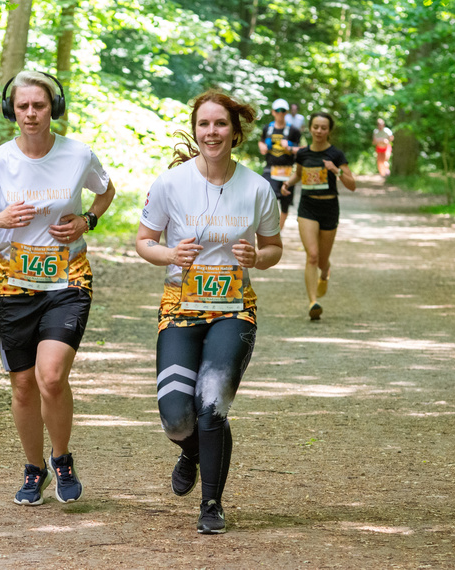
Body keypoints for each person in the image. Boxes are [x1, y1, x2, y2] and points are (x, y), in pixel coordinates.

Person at [0, 70, 116, 506]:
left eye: (38, 105)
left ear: (53, 108)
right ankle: (34, 468)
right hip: (13, 285)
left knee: (51, 376)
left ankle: (62, 459)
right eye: (22, 106)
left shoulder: (78, 154)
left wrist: (87, 220)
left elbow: (105, 190)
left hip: (68, 280)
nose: (30, 114)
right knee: (22, 384)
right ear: (12, 110)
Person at [135, 90, 283, 534]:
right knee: (176, 417)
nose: (211, 132)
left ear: (234, 132)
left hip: (234, 310)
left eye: (220, 124)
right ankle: (192, 452)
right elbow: (144, 241)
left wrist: (259, 257)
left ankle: (212, 503)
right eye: (204, 124)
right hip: (180, 308)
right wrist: (169, 255)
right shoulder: (171, 183)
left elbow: (274, 247)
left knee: (212, 405)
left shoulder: (258, 188)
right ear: (195, 130)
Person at [281, 112, 356, 320]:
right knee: (312, 255)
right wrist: (287, 183)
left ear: (329, 130)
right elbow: (298, 173)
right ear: (310, 128)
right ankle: (313, 302)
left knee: (322, 260)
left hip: (329, 208)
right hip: (308, 207)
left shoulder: (336, 155)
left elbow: (352, 184)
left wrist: (335, 171)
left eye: (323, 128)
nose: (319, 131)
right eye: (315, 127)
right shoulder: (303, 154)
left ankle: (326, 271)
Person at [258, 98, 302, 230]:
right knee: (266, 199)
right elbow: (260, 141)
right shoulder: (268, 128)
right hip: (270, 170)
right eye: (278, 111)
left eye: (283, 111)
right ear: (273, 112)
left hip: (287, 171)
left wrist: (290, 147)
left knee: (285, 203)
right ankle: (266, 230)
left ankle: (278, 232)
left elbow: (301, 149)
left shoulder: (294, 131)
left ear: (286, 112)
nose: (280, 113)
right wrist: (262, 147)